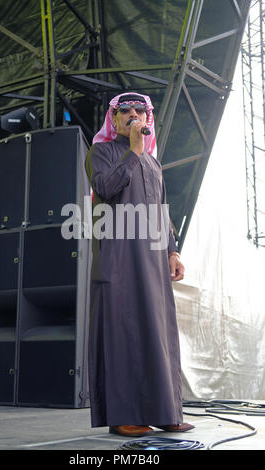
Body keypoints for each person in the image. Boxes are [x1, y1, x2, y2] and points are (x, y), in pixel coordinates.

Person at [85, 92, 194, 437]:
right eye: (125, 111)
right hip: (118, 257)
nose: (133, 115)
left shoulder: (154, 163)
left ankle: (165, 412)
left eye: (139, 111)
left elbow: (162, 214)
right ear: (114, 120)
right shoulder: (101, 152)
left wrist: (172, 252)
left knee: (158, 331)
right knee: (124, 331)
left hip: (152, 261)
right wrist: (132, 150)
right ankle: (124, 415)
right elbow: (106, 186)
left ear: (148, 119)